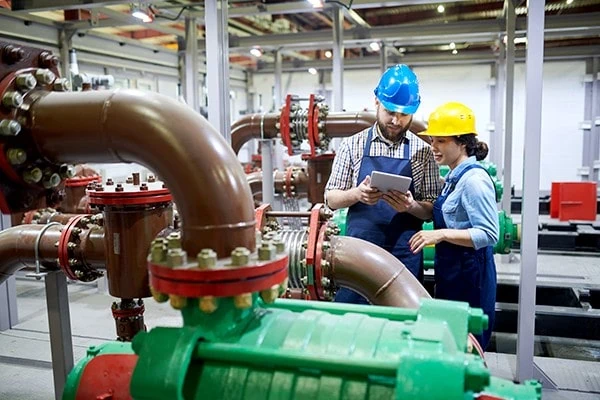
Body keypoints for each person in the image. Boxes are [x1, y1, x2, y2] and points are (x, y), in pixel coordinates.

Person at [324, 64, 443, 304]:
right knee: (353, 320)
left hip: (404, 254)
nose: (396, 121)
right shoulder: (352, 145)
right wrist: (357, 194)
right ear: (377, 101)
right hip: (358, 255)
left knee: (403, 322)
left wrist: (410, 206)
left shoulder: (423, 152)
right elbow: (330, 199)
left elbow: (431, 210)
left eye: (404, 115)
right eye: (390, 112)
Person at [406, 101, 499, 349]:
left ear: (462, 143)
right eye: (433, 140)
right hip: (452, 271)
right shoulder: (452, 177)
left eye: (441, 141)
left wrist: (441, 234)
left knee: (468, 345)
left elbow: (489, 234)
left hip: (471, 275)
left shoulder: (474, 181)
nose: (433, 147)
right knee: (452, 341)